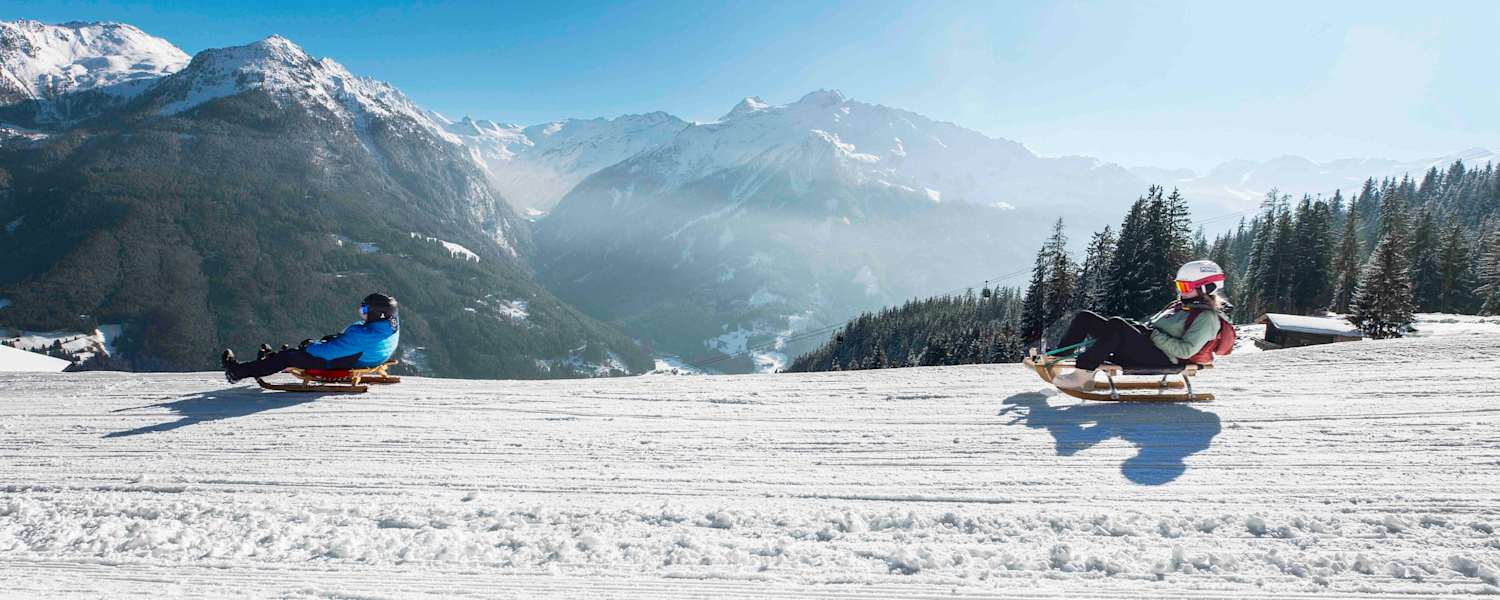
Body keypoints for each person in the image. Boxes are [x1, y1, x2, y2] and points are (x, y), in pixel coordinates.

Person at [1051, 261, 1234, 390]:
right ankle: (1056, 359)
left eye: (1186, 287)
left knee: (1117, 326)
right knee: (1086, 318)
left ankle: (1083, 374)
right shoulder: (1180, 306)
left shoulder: (1206, 318)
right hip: (1148, 348)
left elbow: (1185, 351)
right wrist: (1142, 329)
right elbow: (1154, 326)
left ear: (1206, 288)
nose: (1181, 291)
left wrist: (1152, 335)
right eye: (1179, 286)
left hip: (1164, 359)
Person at [221, 293, 400, 383]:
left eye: (365, 311)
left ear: (378, 314)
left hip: (341, 362)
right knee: (306, 348)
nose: (362, 314)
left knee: (290, 357)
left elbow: (329, 352)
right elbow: (346, 343)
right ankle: (270, 359)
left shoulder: (364, 335)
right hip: (363, 356)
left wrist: (309, 346)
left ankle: (237, 372)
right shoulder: (389, 326)